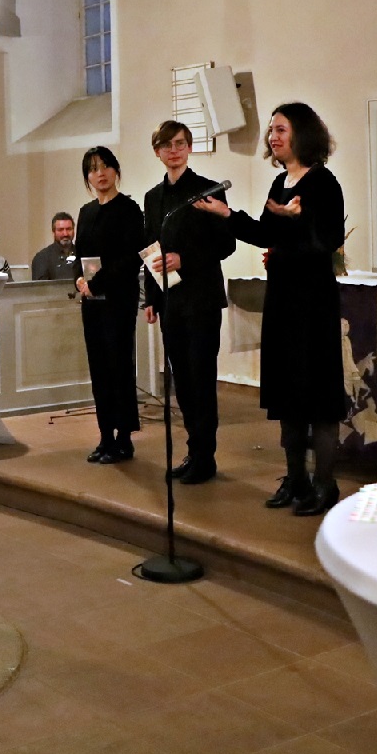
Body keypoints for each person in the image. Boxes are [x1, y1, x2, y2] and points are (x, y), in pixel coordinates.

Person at [195, 102, 349, 516]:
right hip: (283, 299)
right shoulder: (281, 183)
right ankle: (295, 478)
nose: (273, 137)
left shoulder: (322, 183)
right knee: (289, 390)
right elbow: (266, 234)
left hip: (313, 302)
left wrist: (295, 222)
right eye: (271, 131)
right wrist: (228, 214)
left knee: (316, 392)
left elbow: (327, 241)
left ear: (302, 134)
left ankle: (325, 483)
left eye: (281, 130)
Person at [143, 120, 235, 485]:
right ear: (158, 152)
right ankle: (193, 449)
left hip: (202, 299)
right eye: (166, 145)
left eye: (180, 143)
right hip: (171, 301)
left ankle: (205, 456)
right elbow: (150, 248)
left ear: (189, 148)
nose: (174, 150)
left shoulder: (207, 190)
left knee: (200, 378)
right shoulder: (153, 198)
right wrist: (151, 296)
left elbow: (225, 245)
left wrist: (185, 259)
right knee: (180, 379)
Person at [74, 146, 146, 464]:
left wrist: (96, 283)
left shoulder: (129, 209)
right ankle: (105, 436)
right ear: (87, 177)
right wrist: (79, 280)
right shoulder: (86, 212)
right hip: (92, 302)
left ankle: (124, 439)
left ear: (116, 170)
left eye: (105, 166)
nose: (100, 174)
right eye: (92, 169)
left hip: (118, 300)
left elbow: (130, 259)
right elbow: (80, 256)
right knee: (99, 369)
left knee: (119, 367)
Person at [30, 212, 79, 281]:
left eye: (69, 229)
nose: (65, 234)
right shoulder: (42, 258)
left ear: (73, 231)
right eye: (60, 230)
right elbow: (40, 290)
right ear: (53, 232)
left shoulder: (83, 254)